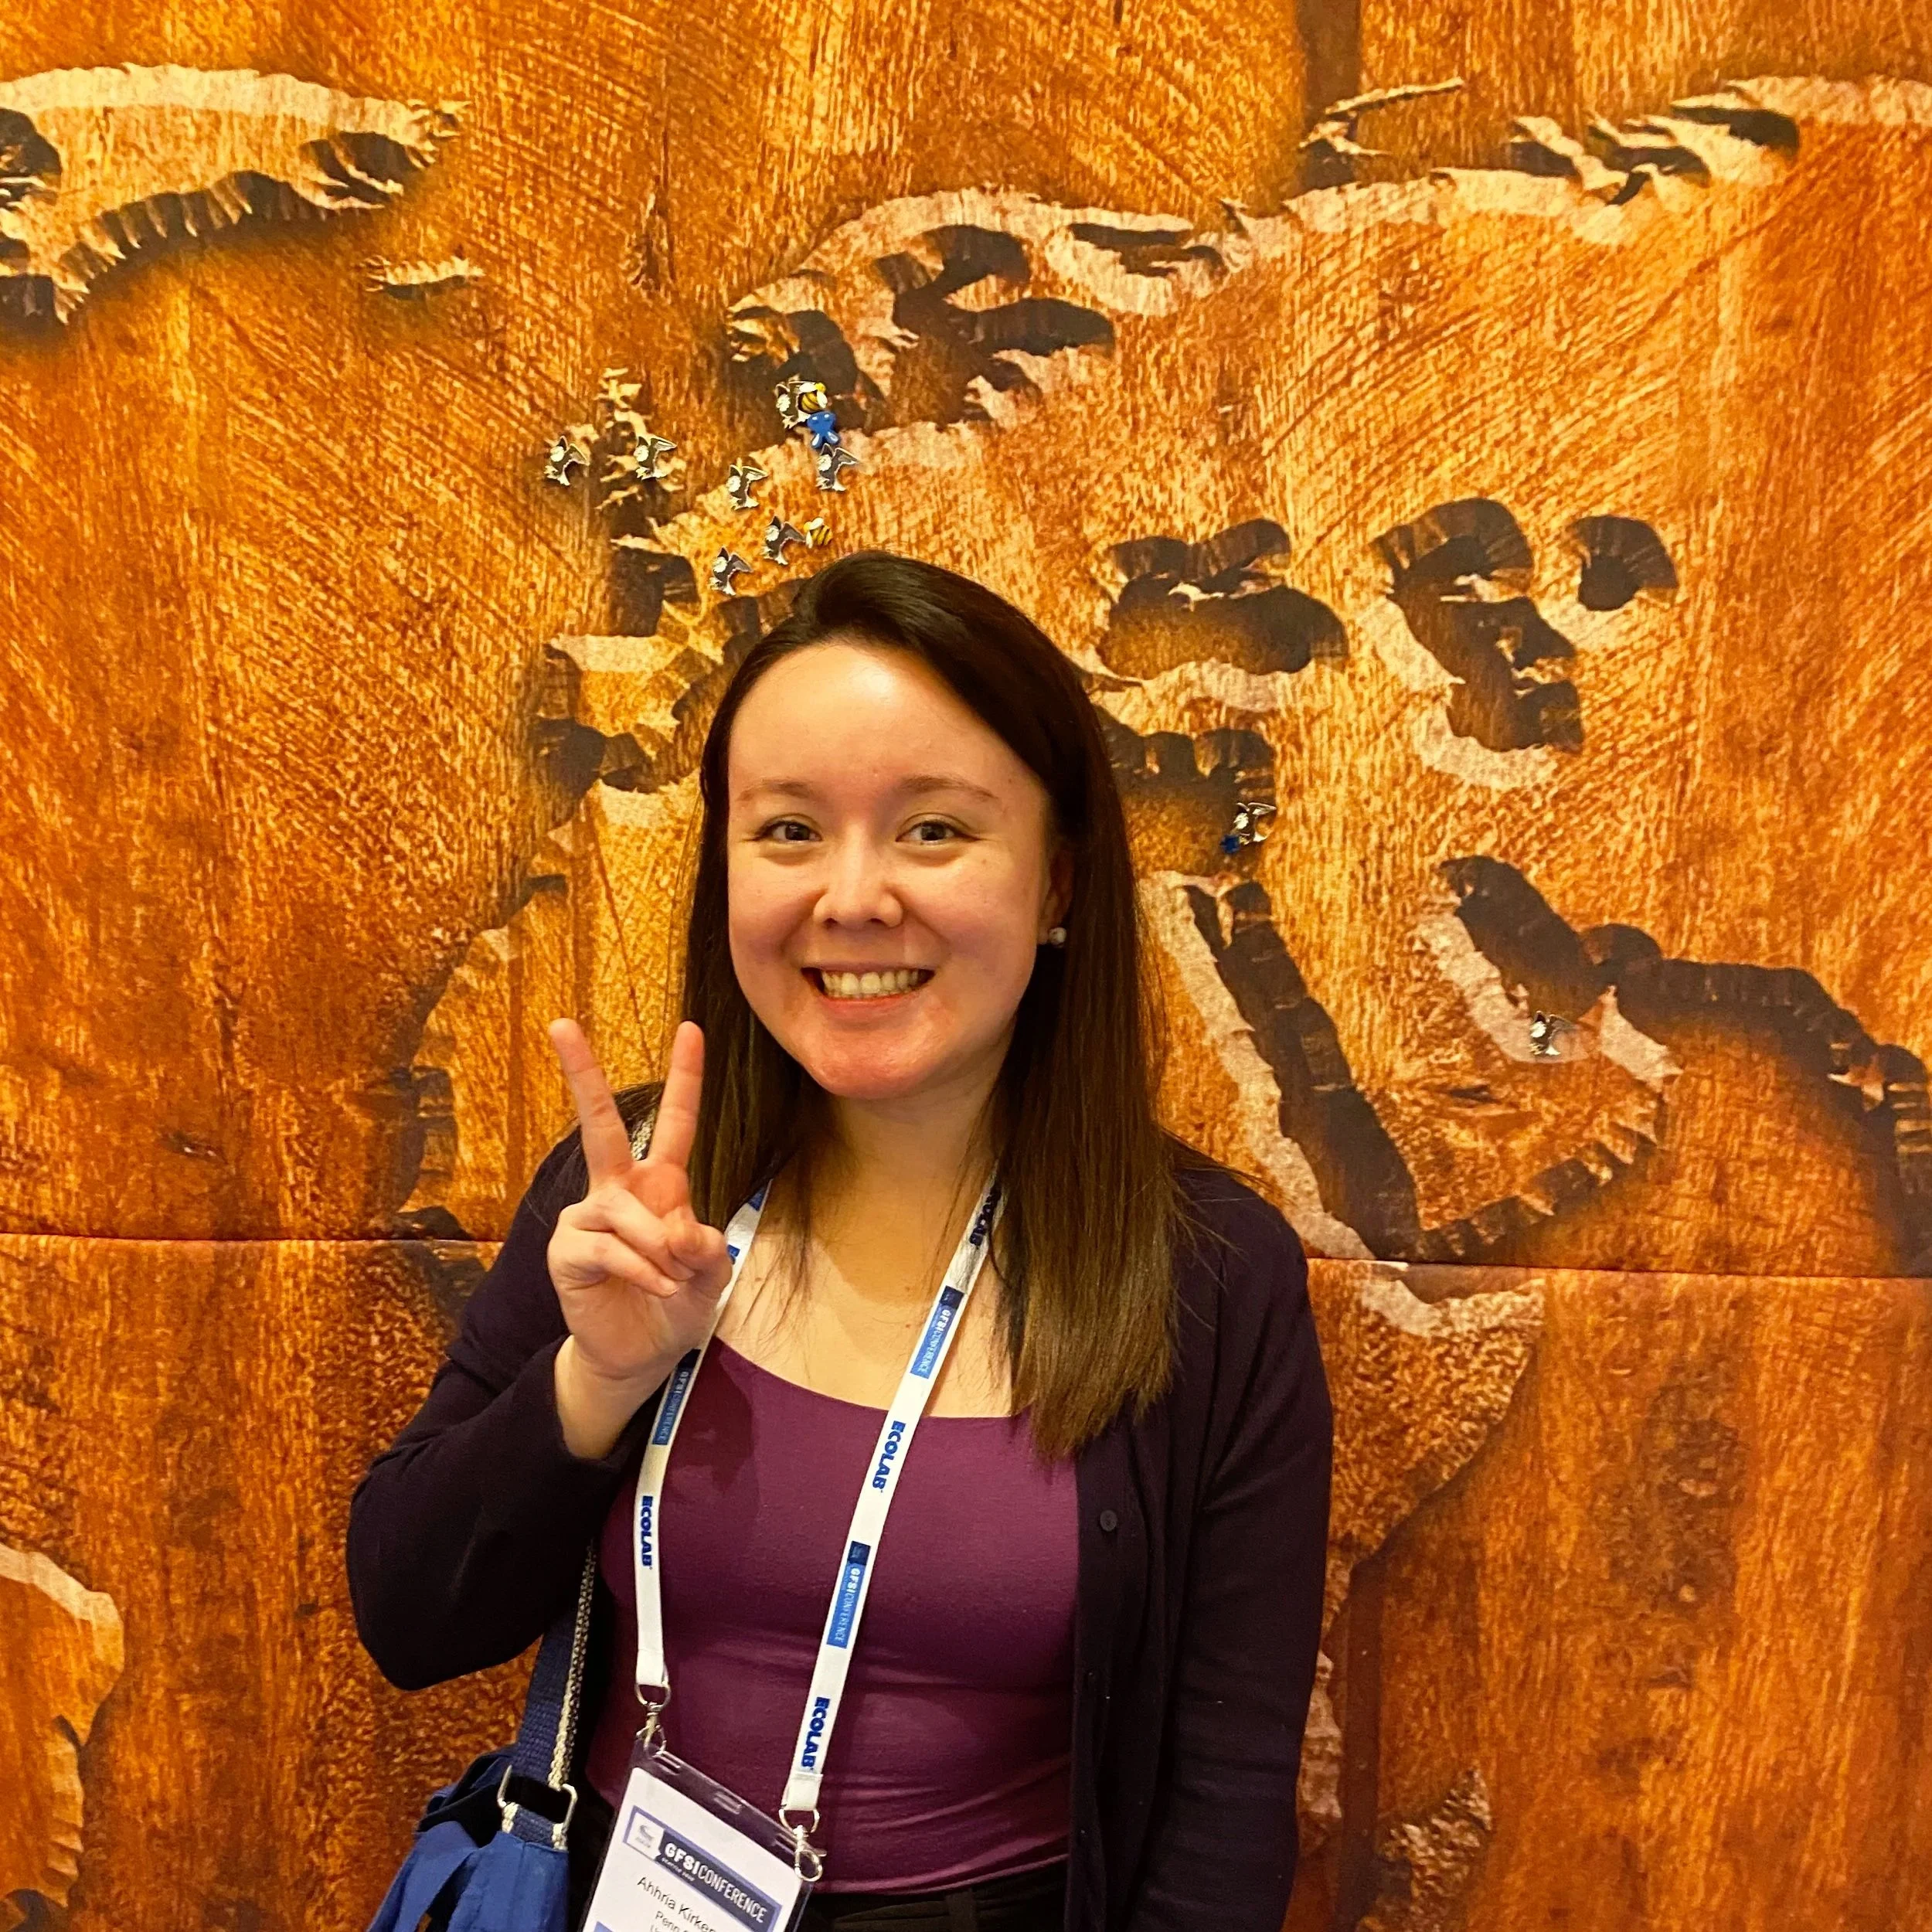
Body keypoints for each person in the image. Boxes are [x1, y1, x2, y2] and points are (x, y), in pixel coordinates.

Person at [348, 550, 1333, 1932]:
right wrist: (596, 1383)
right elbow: (409, 1614)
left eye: (934, 830)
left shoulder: (1210, 1275)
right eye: (789, 830)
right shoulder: (635, 1194)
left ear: (1057, 884)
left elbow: (1225, 1806)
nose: (853, 898)